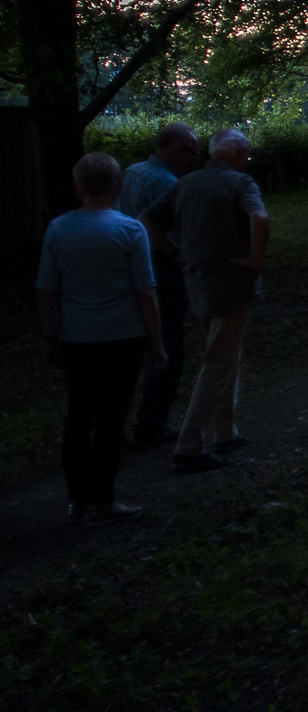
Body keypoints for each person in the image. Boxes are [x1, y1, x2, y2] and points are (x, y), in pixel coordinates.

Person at [36, 153, 167, 523]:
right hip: (122, 336)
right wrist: (156, 343)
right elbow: (145, 292)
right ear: (118, 186)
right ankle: (103, 498)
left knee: (78, 415)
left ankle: (77, 498)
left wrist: (51, 338)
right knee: (111, 418)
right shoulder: (129, 229)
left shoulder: (59, 229)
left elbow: (46, 290)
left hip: (77, 336)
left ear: (77, 187)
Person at [142, 128, 269, 473]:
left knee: (226, 355)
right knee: (217, 361)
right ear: (240, 155)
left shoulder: (184, 183)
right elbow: (259, 217)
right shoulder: (241, 184)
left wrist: (173, 252)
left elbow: (147, 220)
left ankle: (225, 432)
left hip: (197, 285)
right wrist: (255, 261)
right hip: (232, 285)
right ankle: (189, 445)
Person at [119, 122, 199, 447]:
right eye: (193, 151)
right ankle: (151, 426)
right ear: (177, 150)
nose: (196, 158)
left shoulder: (133, 172)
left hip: (126, 272)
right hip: (159, 273)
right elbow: (155, 226)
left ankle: (112, 428)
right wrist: (177, 253)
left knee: (131, 349)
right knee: (167, 349)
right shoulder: (170, 183)